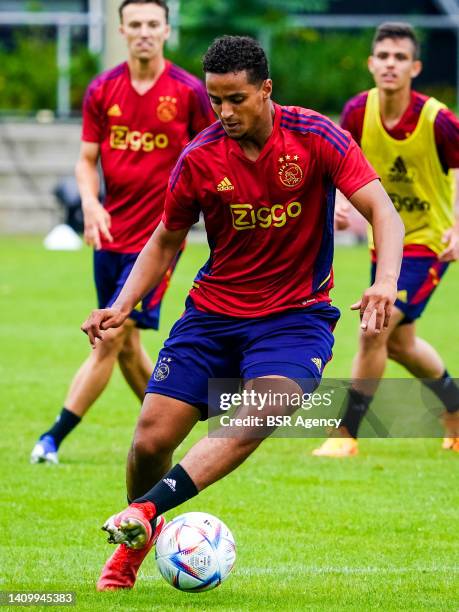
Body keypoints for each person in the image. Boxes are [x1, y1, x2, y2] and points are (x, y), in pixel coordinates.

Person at [81, 35, 404, 591]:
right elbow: (165, 239)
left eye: (236, 99)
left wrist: (384, 282)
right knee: (150, 441)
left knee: (261, 409)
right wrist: (119, 306)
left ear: (266, 90)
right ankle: (136, 540)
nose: (224, 112)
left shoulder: (315, 135)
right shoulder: (199, 157)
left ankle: (146, 514)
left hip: (293, 318)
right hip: (211, 316)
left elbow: (383, 211)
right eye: (215, 100)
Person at [30, 0, 214, 465]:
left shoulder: (190, 92)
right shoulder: (102, 89)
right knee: (129, 347)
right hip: (110, 235)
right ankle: (166, 427)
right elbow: (86, 161)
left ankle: (52, 438)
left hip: (157, 241)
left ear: (167, 30)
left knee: (111, 335)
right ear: (122, 30)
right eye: (136, 25)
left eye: (154, 24)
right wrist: (90, 203)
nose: (145, 32)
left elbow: (213, 155)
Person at [313, 22, 459, 458]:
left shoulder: (439, 119)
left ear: (414, 66)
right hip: (386, 245)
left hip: (428, 242)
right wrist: (336, 203)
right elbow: (340, 162)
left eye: (400, 58)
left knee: (374, 330)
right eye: (384, 56)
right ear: (371, 64)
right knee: (400, 342)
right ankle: (455, 407)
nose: (390, 64)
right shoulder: (358, 111)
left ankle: (346, 434)